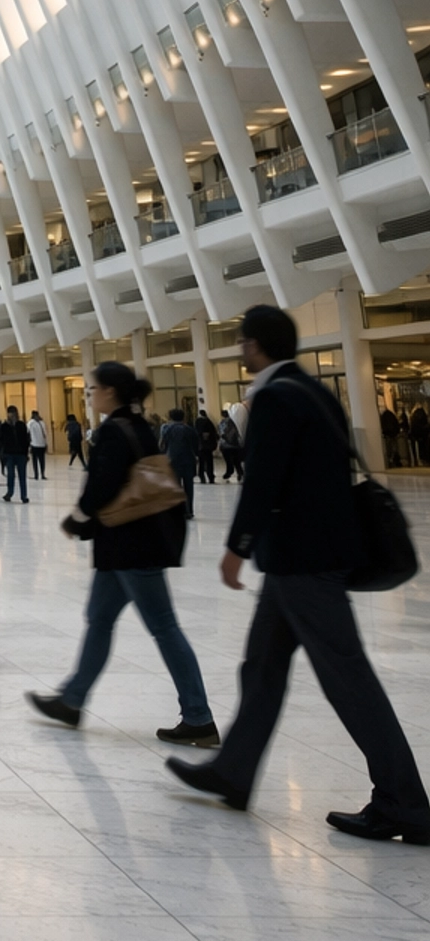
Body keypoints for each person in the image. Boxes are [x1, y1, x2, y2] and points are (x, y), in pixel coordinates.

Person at [167, 306, 430, 841]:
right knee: (261, 668)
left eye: (242, 342)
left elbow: (264, 479)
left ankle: (405, 802)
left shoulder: (275, 397)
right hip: (302, 559)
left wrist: (237, 546)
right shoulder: (311, 391)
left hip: (302, 564)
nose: (239, 349)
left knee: (347, 678)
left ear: (256, 345)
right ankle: (233, 773)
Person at [27, 362, 218, 747]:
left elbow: (101, 487)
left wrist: (77, 519)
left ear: (110, 392)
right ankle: (72, 699)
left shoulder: (114, 431)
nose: (90, 395)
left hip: (132, 546)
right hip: (125, 546)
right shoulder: (138, 425)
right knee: (98, 619)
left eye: (93, 389)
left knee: (163, 627)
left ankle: (198, 716)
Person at [162, 407, 198, 520]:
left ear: (170, 417)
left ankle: (177, 511)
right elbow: (196, 446)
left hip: (172, 461)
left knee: (175, 487)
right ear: (184, 417)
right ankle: (189, 511)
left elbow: (162, 445)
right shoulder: (190, 430)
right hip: (188, 460)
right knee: (189, 487)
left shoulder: (166, 429)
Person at [0, 406, 31, 502]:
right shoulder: (4, 426)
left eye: (13, 413)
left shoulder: (21, 425)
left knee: (22, 475)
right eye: (10, 413)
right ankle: (10, 493)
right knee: (10, 475)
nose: (12, 415)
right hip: (9, 454)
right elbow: (1, 440)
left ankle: (23, 495)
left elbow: (26, 440)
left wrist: (26, 453)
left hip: (21, 454)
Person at [196, 408, 219, 484]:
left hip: (200, 446)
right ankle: (210, 477)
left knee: (201, 462)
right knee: (209, 462)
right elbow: (213, 433)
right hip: (208, 447)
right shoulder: (209, 422)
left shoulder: (198, 422)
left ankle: (201, 476)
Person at [218, 409, 244, 480]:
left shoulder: (223, 422)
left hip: (226, 445)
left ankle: (230, 471)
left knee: (228, 460)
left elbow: (222, 433)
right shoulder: (234, 422)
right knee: (236, 460)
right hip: (235, 445)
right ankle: (240, 472)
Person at [28, 408, 48, 480]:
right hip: (42, 444)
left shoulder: (30, 423)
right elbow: (45, 434)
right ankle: (42, 474)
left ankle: (36, 475)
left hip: (34, 444)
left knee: (35, 461)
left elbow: (27, 432)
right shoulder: (42, 422)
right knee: (42, 460)